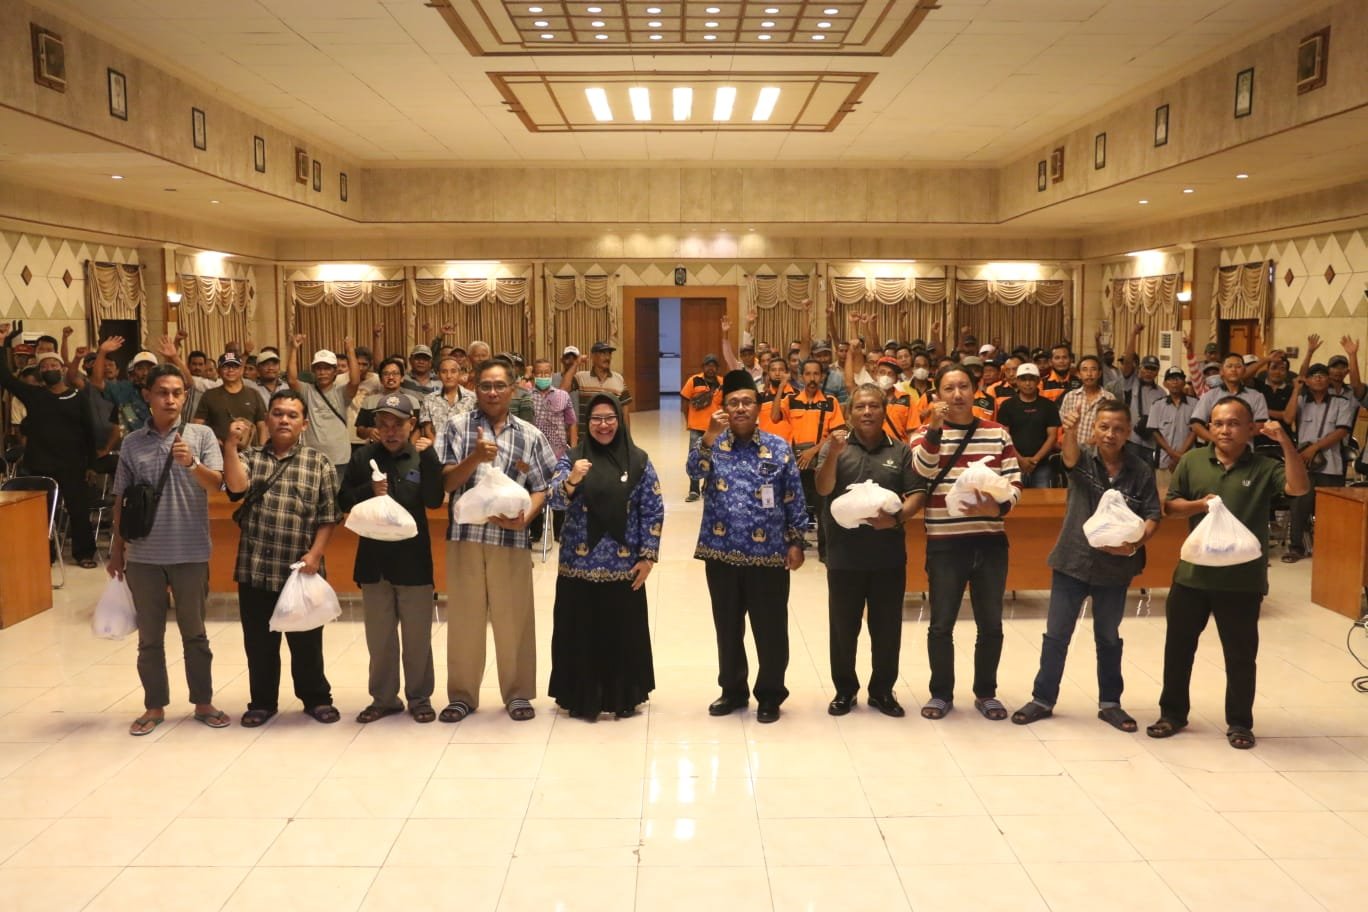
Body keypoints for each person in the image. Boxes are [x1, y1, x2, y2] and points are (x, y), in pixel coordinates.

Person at [1148, 397, 1308, 749]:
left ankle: (1239, 723)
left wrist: (1285, 442)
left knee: (1240, 656)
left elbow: (1298, 488)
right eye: (1218, 423)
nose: (1224, 430)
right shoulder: (1192, 461)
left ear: (1251, 428)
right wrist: (1200, 505)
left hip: (1242, 581)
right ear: (1209, 427)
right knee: (1178, 650)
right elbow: (1171, 507)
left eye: (1234, 423)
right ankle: (1172, 713)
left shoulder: (1264, 466)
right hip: (1192, 578)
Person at [1011, 401, 1160, 731]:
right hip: (1072, 561)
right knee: (1056, 635)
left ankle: (1110, 703)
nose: (1110, 434)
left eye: (1118, 429)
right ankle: (1042, 699)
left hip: (1115, 567)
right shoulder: (1083, 460)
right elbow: (1068, 458)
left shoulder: (1139, 470)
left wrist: (1134, 545)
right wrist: (1070, 430)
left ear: (1128, 432)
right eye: (1104, 427)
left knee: (1108, 637)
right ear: (1094, 429)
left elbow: (1153, 514)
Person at [108, 364, 229, 735]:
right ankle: (154, 706)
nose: (170, 399)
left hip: (191, 551)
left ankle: (203, 702)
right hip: (144, 555)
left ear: (185, 396)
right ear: (148, 395)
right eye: (163, 392)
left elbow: (217, 485)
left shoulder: (201, 435)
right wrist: (117, 550)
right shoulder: (132, 442)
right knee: (149, 639)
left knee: (195, 635)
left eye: (177, 392)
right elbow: (121, 499)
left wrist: (191, 463)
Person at [437, 360, 557, 723]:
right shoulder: (457, 426)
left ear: (513, 390)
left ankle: (518, 694)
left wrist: (526, 518)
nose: (492, 393)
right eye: (486, 386)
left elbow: (542, 486)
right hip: (466, 537)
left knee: (514, 620)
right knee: (464, 620)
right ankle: (462, 696)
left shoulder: (529, 435)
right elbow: (446, 483)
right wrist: (475, 457)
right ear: (475, 388)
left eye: (500, 386)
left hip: (511, 540)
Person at [688, 369, 808, 723]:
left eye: (747, 402)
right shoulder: (714, 444)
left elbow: (793, 497)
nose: (740, 408)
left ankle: (770, 694)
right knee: (727, 629)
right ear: (724, 408)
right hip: (721, 552)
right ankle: (733, 690)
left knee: (771, 630)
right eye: (733, 403)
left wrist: (796, 541)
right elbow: (693, 471)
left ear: (758, 408)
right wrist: (708, 436)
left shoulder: (778, 447)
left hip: (768, 555)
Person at [222, 391, 341, 727]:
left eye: (292, 415)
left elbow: (329, 516)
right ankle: (262, 702)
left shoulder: (319, 463)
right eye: (278, 413)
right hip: (256, 568)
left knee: (307, 643)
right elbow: (236, 487)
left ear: (304, 424)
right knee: (259, 644)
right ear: (267, 420)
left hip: (301, 570)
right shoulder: (250, 458)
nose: (284, 420)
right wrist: (230, 446)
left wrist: (316, 554)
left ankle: (316, 698)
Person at [909, 364, 1022, 721]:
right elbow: (922, 471)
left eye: (963, 387)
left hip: (990, 542)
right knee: (941, 624)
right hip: (945, 543)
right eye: (948, 388)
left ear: (975, 391)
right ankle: (940, 693)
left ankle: (986, 692)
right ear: (936, 395)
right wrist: (934, 429)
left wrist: (999, 506)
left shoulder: (998, 433)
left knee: (991, 625)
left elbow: (1015, 482)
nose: (957, 395)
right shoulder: (922, 434)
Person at [548, 394, 663, 720]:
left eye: (610, 418)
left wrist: (648, 557)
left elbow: (652, 509)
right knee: (580, 632)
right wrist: (572, 481)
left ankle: (623, 695)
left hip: (623, 566)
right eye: (597, 419)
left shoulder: (638, 460)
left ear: (619, 421)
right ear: (588, 423)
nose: (603, 425)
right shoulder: (572, 458)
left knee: (621, 633)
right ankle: (580, 696)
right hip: (578, 566)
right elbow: (553, 501)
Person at [815, 384, 924, 718]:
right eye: (860, 407)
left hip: (887, 557)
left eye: (874, 406)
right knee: (843, 629)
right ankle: (844, 690)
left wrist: (896, 519)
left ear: (884, 410)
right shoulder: (835, 446)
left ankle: (882, 691)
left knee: (887, 629)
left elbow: (917, 494)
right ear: (850, 413)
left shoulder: (901, 451)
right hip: (844, 557)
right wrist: (833, 454)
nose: (867, 412)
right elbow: (822, 487)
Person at [338, 394, 444, 724]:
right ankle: (384, 699)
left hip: (414, 563)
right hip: (374, 563)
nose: (390, 431)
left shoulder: (422, 457)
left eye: (397, 424)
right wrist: (369, 490)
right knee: (380, 638)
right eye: (383, 424)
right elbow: (343, 500)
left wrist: (431, 458)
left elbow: (434, 500)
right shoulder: (363, 457)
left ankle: (420, 698)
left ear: (411, 424)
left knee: (417, 638)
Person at [1, 324, 99, 567]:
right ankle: (45, 555)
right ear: (40, 372)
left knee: (78, 511)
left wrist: (91, 464)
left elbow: (90, 432)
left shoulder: (78, 397)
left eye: (53, 365)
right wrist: (2, 344)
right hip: (40, 464)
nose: (49, 369)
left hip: (73, 464)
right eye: (44, 367)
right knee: (41, 513)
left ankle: (84, 553)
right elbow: (5, 378)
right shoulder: (34, 395)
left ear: (62, 369)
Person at [1281, 364, 1356, 562]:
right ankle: (1296, 547)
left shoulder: (1341, 403)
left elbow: (1341, 431)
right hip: (1304, 464)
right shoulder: (1301, 401)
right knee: (1299, 505)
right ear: (1307, 380)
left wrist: (1314, 448)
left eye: (1322, 375)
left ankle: (1331, 547)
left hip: (1331, 463)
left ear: (1328, 379)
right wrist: (1296, 390)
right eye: (1313, 375)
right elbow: (1287, 418)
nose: (1318, 378)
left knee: (1331, 508)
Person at [788, 359, 846, 561]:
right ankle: (793, 547)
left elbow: (838, 432)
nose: (812, 378)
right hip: (794, 463)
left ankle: (825, 551)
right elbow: (778, 424)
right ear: (801, 377)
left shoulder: (831, 402)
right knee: (793, 507)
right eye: (808, 374)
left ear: (822, 377)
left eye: (816, 374)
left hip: (820, 464)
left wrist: (813, 451)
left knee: (823, 509)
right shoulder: (791, 401)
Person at [286, 334, 363, 479]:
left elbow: (355, 382)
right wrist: (294, 349)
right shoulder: (307, 390)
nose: (322, 372)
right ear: (313, 371)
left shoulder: (341, 392)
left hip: (339, 457)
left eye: (327, 368)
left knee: (338, 493)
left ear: (335, 371)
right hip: (311, 457)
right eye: (318, 368)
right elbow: (291, 380)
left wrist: (350, 351)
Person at [529, 357, 578, 543]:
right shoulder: (526, 396)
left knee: (559, 488)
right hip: (535, 454)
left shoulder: (562, 395)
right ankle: (536, 531)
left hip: (558, 452)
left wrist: (573, 450)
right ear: (533, 375)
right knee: (536, 489)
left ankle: (559, 531)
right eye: (539, 373)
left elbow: (572, 423)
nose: (543, 376)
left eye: (546, 373)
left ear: (551, 374)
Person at [995, 362, 1059, 489]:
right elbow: (1004, 436)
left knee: (1045, 500)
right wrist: (1020, 460)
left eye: (1032, 379)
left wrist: (1035, 459)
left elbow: (1052, 436)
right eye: (1023, 379)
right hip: (1013, 464)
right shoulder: (1007, 406)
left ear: (1038, 381)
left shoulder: (1049, 406)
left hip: (1042, 465)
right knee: (1013, 499)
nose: (1028, 383)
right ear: (1017, 381)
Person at [1190, 353, 1268, 443]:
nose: (1233, 369)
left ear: (1244, 370)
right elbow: (1196, 425)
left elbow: (1261, 425)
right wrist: (1216, 441)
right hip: (1216, 447)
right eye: (1229, 366)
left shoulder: (1257, 396)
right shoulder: (1210, 396)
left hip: (1245, 448)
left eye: (1238, 366)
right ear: (1221, 372)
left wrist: (1235, 440)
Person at [193, 351, 266, 445]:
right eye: (226, 367)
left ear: (241, 370)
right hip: (218, 450)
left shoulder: (254, 394)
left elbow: (262, 425)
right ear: (218, 371)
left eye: (235, 367)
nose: (230, 370)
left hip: (250, 451)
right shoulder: (209, 395)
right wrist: (210, 441)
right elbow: (197, 424)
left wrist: (262, 448)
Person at [562, 340, 632, 430]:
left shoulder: (619, 379)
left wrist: (627, 436)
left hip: (610, 434)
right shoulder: (581, 377)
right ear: (593, 357)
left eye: (609, 354)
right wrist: (576, 364)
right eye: (603, 353)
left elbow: (625, 412)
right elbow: (563, 390)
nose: (607, 357)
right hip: (586, 434)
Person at [1148, 367, 1198, 491]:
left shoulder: (1195, 404)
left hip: (1189, 460)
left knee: (1189, 495)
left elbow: (1195, 430)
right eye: (1171, 379)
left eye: (1178, 378)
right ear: (1165, 383)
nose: (1175, 382)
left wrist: (1180, 455)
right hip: (1164, 461)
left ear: (1184, 382)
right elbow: (1155, 432)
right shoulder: (1157, 405)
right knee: (1164, 495)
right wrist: (1173, 454)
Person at [682, 354, 722, 502]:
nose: (710, 368)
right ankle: (693, 490)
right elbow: (685, 402)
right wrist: (689, 420)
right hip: (696, 427)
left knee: (713, 458)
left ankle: (707, 487)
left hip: (715, 428)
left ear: (717, 368)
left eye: (713, 365)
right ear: (703, 367)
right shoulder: (694, 380)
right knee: (694, 457)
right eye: (708, 365)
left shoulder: (722, 382)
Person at [1058, 355, 1118, 449]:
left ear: (1099, 373)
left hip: (1098, 451)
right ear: (1079, 374)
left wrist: (1086, 445)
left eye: (1093, 369)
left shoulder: (1109, 399)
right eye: (1084, 369)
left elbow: (1111, 429)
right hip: (1071, 449)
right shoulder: (1070, 397)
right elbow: (1062, 425)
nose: (1089, 374)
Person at [356, 357, 421, 443]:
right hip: (376, 448)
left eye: (395, 373)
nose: (391, 377)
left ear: (402, 378)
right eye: (386, 374)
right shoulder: (369, 401)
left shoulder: (412, 401)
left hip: (405, 448)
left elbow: (417, 429)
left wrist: (412, 448)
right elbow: (359, 430)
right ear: (380, 379)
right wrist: (368, 431)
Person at [419, 354, 476, 444]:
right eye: (444, 372)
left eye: (453, 371)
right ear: (438, 375)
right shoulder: (429, 400)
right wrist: (439, 447)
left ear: (459, 373)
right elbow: (428, 430)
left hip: (466, 447)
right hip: (437, 447)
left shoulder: (473, 398)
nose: (449, 376)